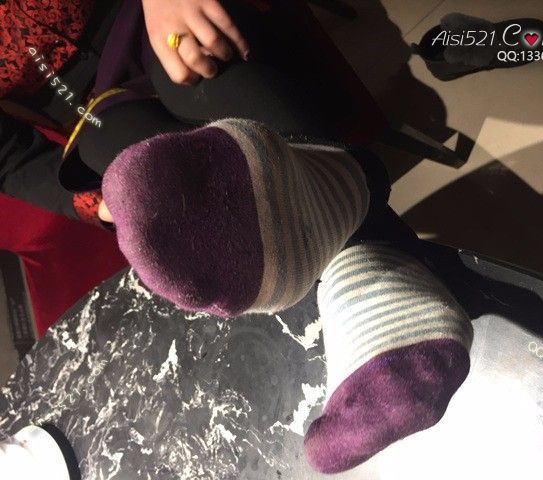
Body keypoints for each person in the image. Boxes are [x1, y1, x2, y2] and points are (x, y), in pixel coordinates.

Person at [1, 0, 473, 473]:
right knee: (122, 153)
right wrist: (91, 203)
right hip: (90, 110)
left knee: (196, 65)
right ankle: (360, 243)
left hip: (140, 14)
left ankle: (364, 254)